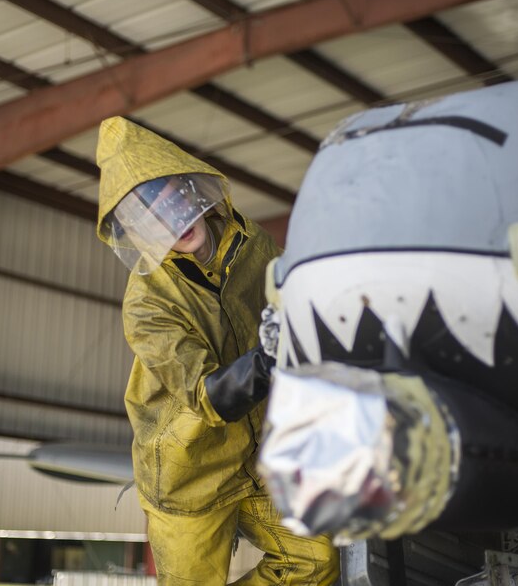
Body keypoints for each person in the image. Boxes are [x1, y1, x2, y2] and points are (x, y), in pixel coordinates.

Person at [96, 116, 339, 585]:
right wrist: (270, 356)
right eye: (154, 219)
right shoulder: (146, 304)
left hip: (259, 457)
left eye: (173, 200)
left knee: (315, 564)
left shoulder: (254, 244)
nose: (174, 222)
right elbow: (208, 396)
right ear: (138, 233)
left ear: (193, 189)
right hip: (191, 471)